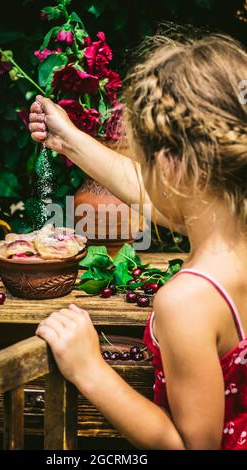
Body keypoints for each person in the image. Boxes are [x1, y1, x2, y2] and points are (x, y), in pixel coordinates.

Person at [29, 34, 247, 450]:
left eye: (143, 161)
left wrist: (88, 368)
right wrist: (69, 139)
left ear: (169, 168)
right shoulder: (232, 234)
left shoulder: (187, 302)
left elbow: (192, 445)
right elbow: (172, 199)